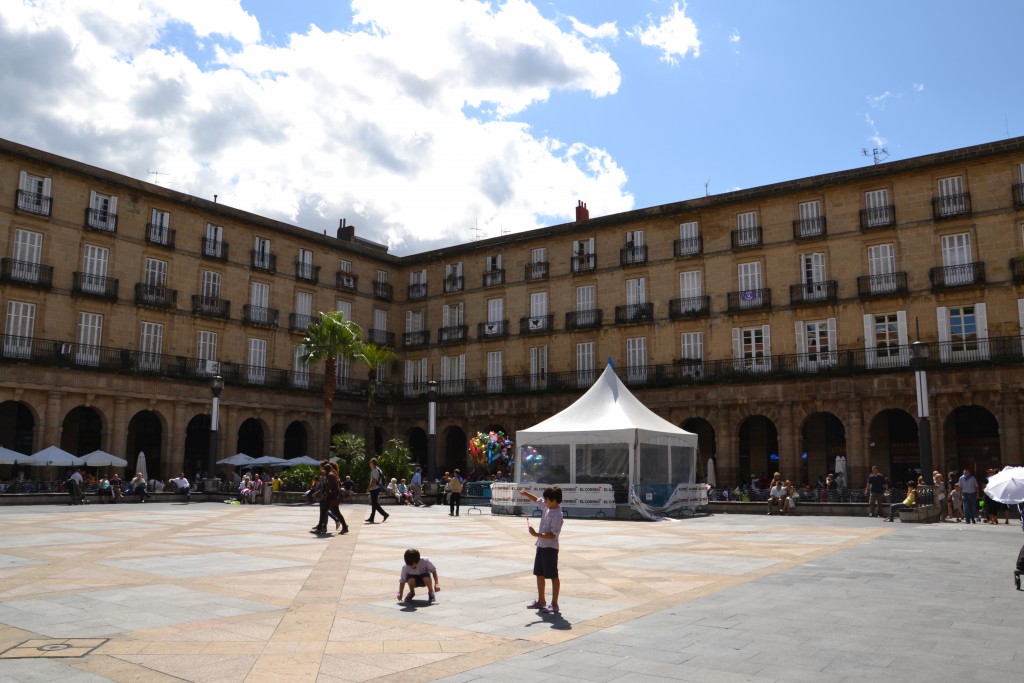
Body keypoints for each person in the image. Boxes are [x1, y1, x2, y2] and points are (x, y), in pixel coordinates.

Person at [519, 486, 564, 614]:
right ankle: (541, 601)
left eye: (546, 500)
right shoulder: (547, 507)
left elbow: (553, 535)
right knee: (539, 574)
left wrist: (536, 534)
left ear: (553, 500)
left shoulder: (558, 515)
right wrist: (526, 493)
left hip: (550, 548)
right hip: (541, 546)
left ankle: (554, 604)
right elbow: (537, 500)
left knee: (553, 576)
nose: (544, 502)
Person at [311, 461, 348, 535]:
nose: (323, 471)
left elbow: (329, 487)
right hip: (332, 496)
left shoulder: (330, 475)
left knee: (323, 511)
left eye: (324, 470)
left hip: (330, 496)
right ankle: (344, 527)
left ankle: (319, 528)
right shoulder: (331, 475)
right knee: (336, 512)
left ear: (326, 470)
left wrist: (325, 491)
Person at [366, 457, 389, 524]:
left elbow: (374, 480)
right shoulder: (377, 469)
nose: (369, 463)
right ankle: (372, 518)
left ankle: (385, 514)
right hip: (376, 488)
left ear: (373, 463)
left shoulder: (375, 470)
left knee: (374, 503)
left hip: (375, 488)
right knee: (374, 503)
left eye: (370, 462)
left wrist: (369, 487)